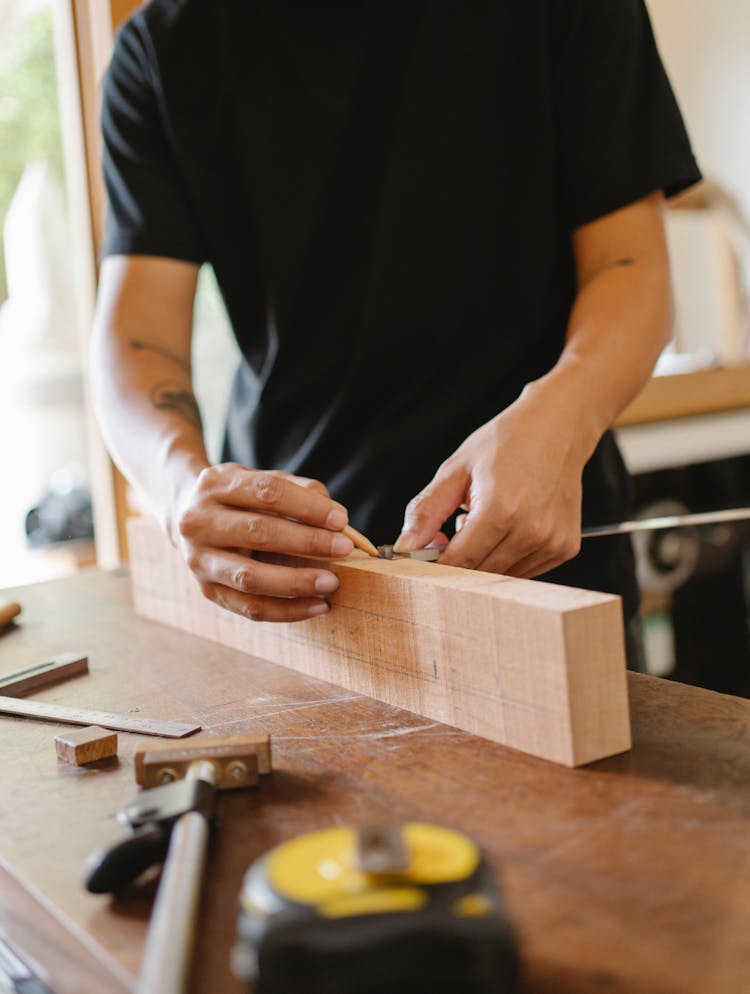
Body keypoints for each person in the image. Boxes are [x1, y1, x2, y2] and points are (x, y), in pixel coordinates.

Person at [91, 0, 701, 653]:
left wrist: (567, 412)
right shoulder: (162, 50)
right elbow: (137, 337)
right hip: (297, 595)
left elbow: (632, 269)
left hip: (543, 574)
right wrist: (179, 486)